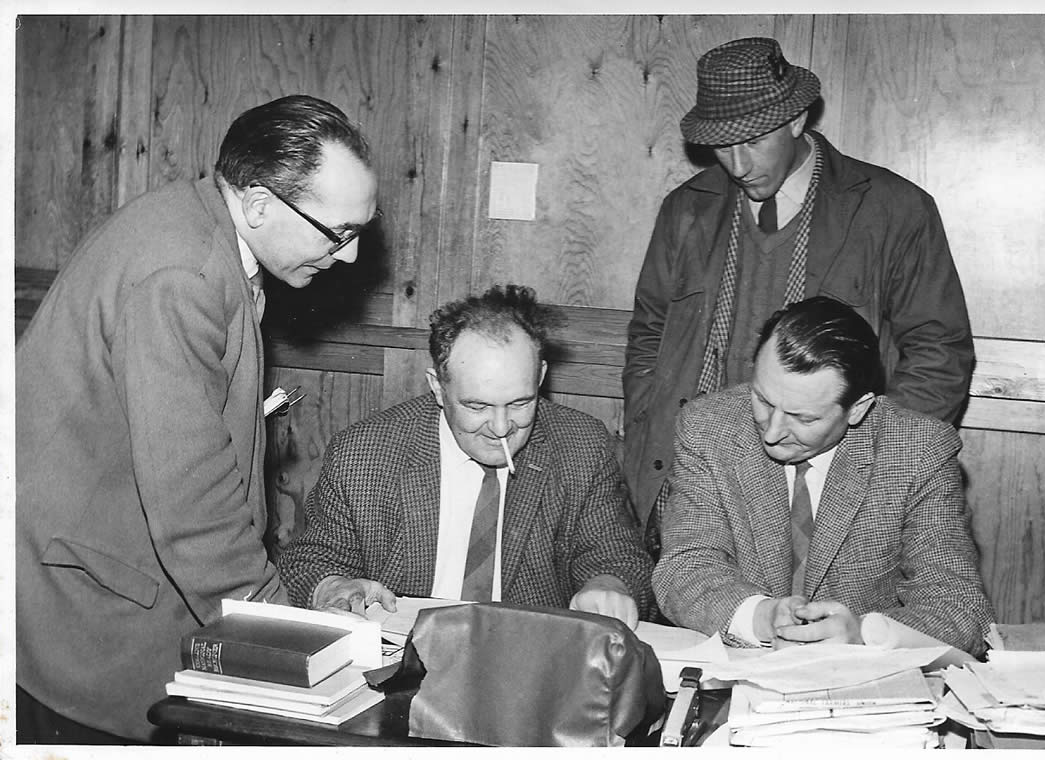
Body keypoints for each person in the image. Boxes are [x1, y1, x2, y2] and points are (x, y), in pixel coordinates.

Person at [16, 94, 379, 743]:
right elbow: (193, 501)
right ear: (262, 202)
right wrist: (284, 636)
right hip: (85, 622)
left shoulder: (200, 229)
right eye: (338, 233)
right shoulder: (181, 272)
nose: (350, 257)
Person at [623, 36, 974, 528]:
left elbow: (940, 353)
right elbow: (649, 336)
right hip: (698, 476)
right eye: (723, 144)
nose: (738, 165)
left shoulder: (894, 209)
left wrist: (879, 461)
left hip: (833, 475)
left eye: (753, 140)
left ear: (796, 119)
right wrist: (650, 427)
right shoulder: (684, 209)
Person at [278, 284, 653, 629]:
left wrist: (609, 585)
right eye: (477, 406)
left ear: (540, 377)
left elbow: (617, 555)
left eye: (521, 402)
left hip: (530, 664)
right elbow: (311, 558)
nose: (502, 427)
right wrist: (332, 587)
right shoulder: (365, 452)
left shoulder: (580, 446)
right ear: (437, 387)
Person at [653, 297, 993, 656]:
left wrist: (865, 634)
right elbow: (684, 568)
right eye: (764, 401)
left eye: (804, 418)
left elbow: (961, 608)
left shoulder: (918, 451)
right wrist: (761, 616)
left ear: (857, 409)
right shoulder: (709, 427)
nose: (772, 432)